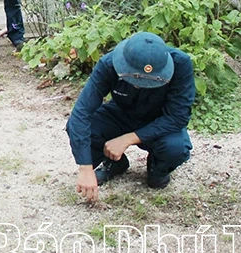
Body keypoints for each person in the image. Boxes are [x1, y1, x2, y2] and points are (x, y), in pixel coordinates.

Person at [66, 32, 195, 202]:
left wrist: (128, 139)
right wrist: (85, 167)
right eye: (135, 79)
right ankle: (114, 162)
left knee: (176, 148)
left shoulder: (181, 64)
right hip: (121, 113)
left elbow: (177, 117)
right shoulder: (108, 64)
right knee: (82, 128)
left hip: (159, 120)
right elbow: (81, 113)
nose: (140, 85)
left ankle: (157, 169)